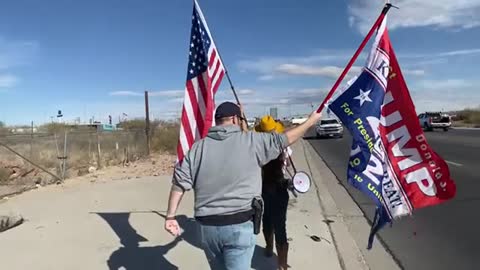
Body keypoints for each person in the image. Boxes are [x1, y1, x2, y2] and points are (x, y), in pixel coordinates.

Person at [165, 101, 321, 270]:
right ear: (234, 119)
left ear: (217, 120)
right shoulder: (253, 141)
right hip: (238, 225)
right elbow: (285, 139)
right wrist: (310, 122)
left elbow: (179, 183)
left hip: (206, 228)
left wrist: (170, 216)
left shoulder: (197, 148)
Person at [255, 116, 291, 270]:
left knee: (267, 219)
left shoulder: (258, 149)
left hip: (264, 188)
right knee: (280, 224)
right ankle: (282, 264)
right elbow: (287, 164)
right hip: (280, 188)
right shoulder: (284, 148)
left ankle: (269, 248)